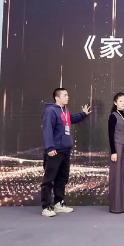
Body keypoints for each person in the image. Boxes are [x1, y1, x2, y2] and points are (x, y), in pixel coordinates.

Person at [41, 88, 91, 217]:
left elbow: (71, 119)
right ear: (57, 98)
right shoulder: (51, 111)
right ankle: (46, 207)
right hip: (55, 151)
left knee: (62, 178)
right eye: (65, 95)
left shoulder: (65, 110)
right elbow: (47, 130)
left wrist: (83, 114)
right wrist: (50, 148)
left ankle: (58, 203)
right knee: (49, 179)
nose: (67, 97)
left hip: (65, 150)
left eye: (67, 95)